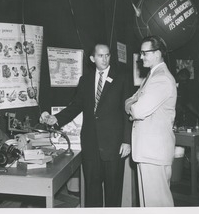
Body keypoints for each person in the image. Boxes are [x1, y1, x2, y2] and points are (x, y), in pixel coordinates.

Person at [40, 44, 132, 207]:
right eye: (100, 56)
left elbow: (127, 112)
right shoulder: (85, 80)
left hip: (113, 144)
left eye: (107, 55)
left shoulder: (121, 78)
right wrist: (57, 119)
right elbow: (75, 106)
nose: (104, 59)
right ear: (92, 58)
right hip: (91, 144)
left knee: (113, 191)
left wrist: (127, 140)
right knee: (92, 189)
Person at [125, 35, 177, 207]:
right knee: (150, 204)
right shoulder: (152, 76)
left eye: (144, 53)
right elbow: (130, 101)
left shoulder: (161, 78)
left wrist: (134, 107)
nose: (141, 57)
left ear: (157, 54)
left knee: (157, 204)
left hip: (154, 153)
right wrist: (134, 105)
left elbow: (137, 109)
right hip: (149, 152)